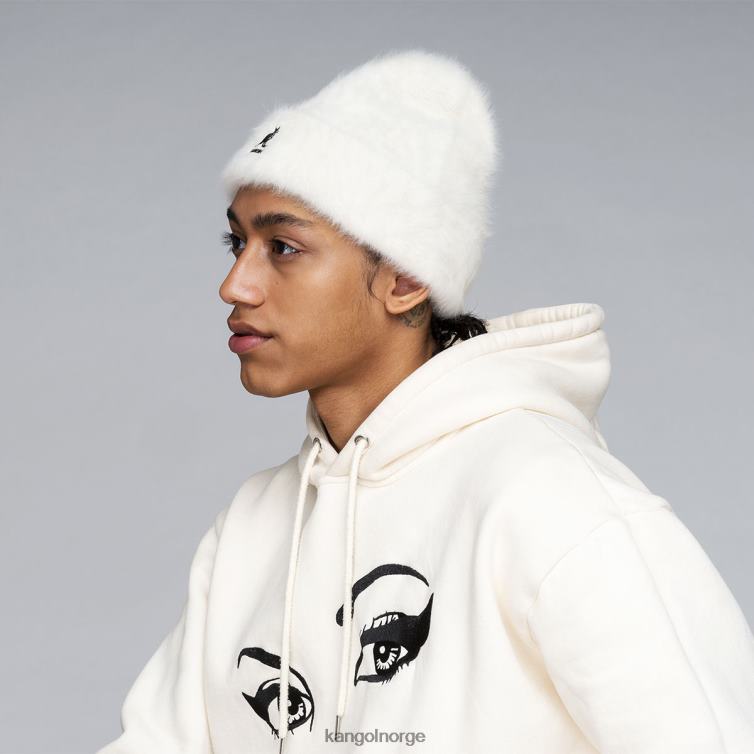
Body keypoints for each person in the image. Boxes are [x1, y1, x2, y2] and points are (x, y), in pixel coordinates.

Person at [96, 48, 754, 754]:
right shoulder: (253, 527)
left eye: (282, 246)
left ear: (406, 278)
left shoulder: (551, 500)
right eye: (237, 241)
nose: (235, 285)